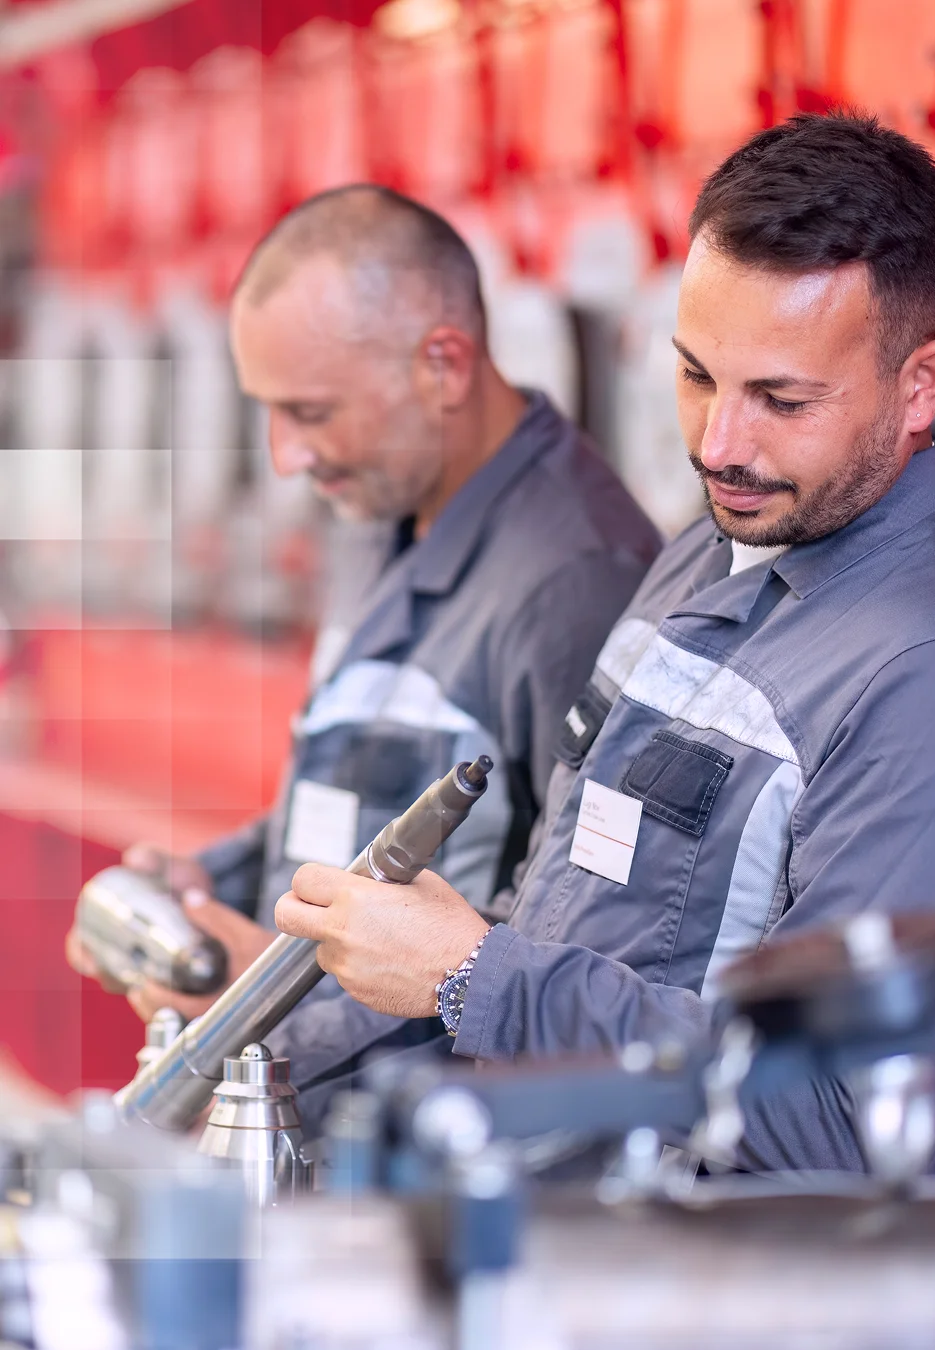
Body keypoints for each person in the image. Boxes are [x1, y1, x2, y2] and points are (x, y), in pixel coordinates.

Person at [273, 113, 935, 1170]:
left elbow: (838, 1119)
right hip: (546, 1246)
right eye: (696, 374)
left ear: (921, 385)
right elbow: (572, 903)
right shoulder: (719, 539)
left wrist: (477, 976)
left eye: (782, 399)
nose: (718, 445)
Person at [66, 187, 663, 1072]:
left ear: (445, 365)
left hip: (428, 1157)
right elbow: (363, 789)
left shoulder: (576, 580)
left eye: (310, 412)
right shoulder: (381, 513)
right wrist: (210, 889)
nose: (286, 458)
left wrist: (267, 1009)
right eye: (268, 411)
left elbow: (573, 938)